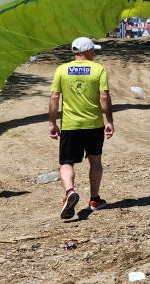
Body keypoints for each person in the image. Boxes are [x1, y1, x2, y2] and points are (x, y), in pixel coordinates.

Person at [49, 37, 115, 219]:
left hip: (70, 126)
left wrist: (52, 123)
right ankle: (94, 200)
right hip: (94, 124)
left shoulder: (62, 69)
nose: (94, 53)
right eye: (93, 50)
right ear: (87, 51)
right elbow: (104, 97)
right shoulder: (98, 69)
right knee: (95, 162)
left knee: (66, 163)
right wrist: (109, 121)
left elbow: (54, 98)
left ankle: (70, 191)